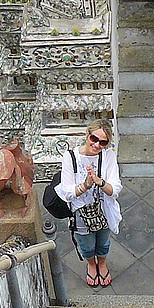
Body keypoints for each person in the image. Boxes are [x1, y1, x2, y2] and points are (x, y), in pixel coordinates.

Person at [55, 119, 122, 287]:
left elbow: (115, 190)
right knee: (86, 243)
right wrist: (85, 185)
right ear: (87, 134)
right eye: (94, 139)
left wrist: (100, 182)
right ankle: (92, 264)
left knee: (103, 240)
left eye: (103, 142)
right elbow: (68, 193)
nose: (97, 145)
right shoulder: (70, 158)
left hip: (103, 209)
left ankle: (102, 262)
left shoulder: (108, 157)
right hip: (81, 213)